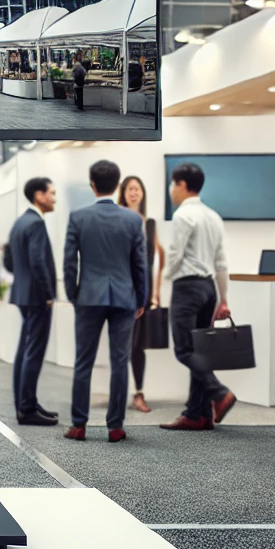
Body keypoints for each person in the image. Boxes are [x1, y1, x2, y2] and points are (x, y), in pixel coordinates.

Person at [63, 161, 149, 443]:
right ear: (118, 184)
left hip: (88, 297)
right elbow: (140, 265)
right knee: (120, 362)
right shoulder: (133, 220)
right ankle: (115, 427)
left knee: (83, 362)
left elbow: (69, 262)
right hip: (124, 298)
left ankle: (78, 425)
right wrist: (141, 298)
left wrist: (72, 294)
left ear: (92, 185)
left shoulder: (78, 217)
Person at [159, 162, 235, 432]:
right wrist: (223, 299)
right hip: (209, 289)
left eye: (172, 184)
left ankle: (219, 393)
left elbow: (176, 255)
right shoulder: (213, 216)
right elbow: (222, 262)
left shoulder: (182, 215)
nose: (170, 190)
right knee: (199, 350)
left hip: (187, 288)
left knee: (184, 350)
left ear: (181, 184)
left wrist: (163, 283)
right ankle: (198, 414)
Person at [8, 177, 59, 427]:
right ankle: (27, 408)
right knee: (33, 352)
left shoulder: (20, 223)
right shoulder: (36, 223)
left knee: (24, 351)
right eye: (51, 193)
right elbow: (39, 261)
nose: (54, 198)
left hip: (23, 293)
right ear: (38, 195)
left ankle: (25, 403)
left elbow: (9, 261)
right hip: (37, 296)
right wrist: (48, 293)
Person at [118, 175, 165, 413]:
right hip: (124, 289)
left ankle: (138, 393)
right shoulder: (118, 219)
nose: (134, 193)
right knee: (124, 343)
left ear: (142, 193)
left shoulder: (150, 223)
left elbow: (157, 259)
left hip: (144, 289)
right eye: (130, 189)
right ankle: (120, 392)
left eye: (137, 189)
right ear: (123, 193)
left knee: (139, 346)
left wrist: (155, 293)